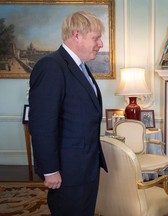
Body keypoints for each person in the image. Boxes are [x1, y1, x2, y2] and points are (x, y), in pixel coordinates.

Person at [28, 11, 107, 216]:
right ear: (76, 35)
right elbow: (42, 124)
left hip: (85, 166)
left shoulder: (79, 67)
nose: (101, 44)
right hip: (67, 170)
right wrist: (50, 169)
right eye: (96, 38)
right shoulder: (51, 66)